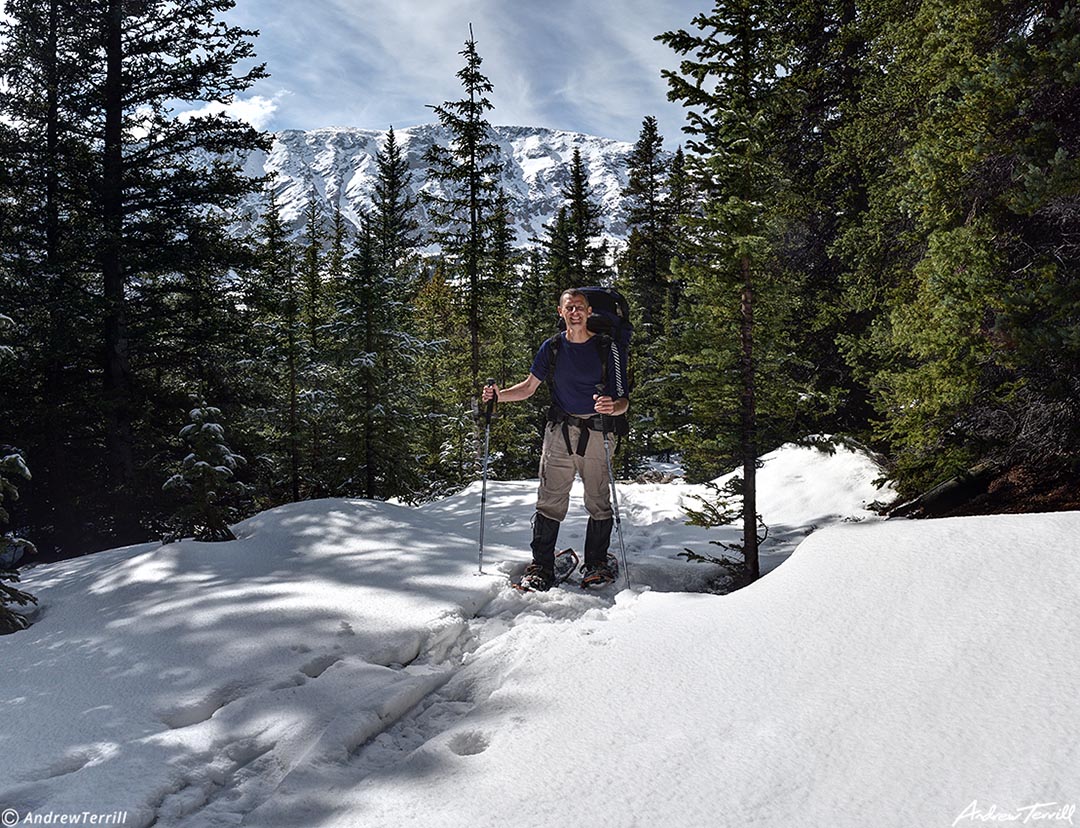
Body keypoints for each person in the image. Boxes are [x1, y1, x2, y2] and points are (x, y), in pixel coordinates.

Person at [482, 288, 629, 590]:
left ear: (589, 312)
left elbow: (624, 400)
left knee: (598, 501)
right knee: (549, 500)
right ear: (560, 313)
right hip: (559, 432)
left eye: (580, 307)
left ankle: (597, 563)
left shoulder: (607, 347)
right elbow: (528, 387)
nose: (574, 312)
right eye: (569, 308)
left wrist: (612, 406)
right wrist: (499, 396)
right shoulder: (552, 348)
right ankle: (542, 566)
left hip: (598, 430)